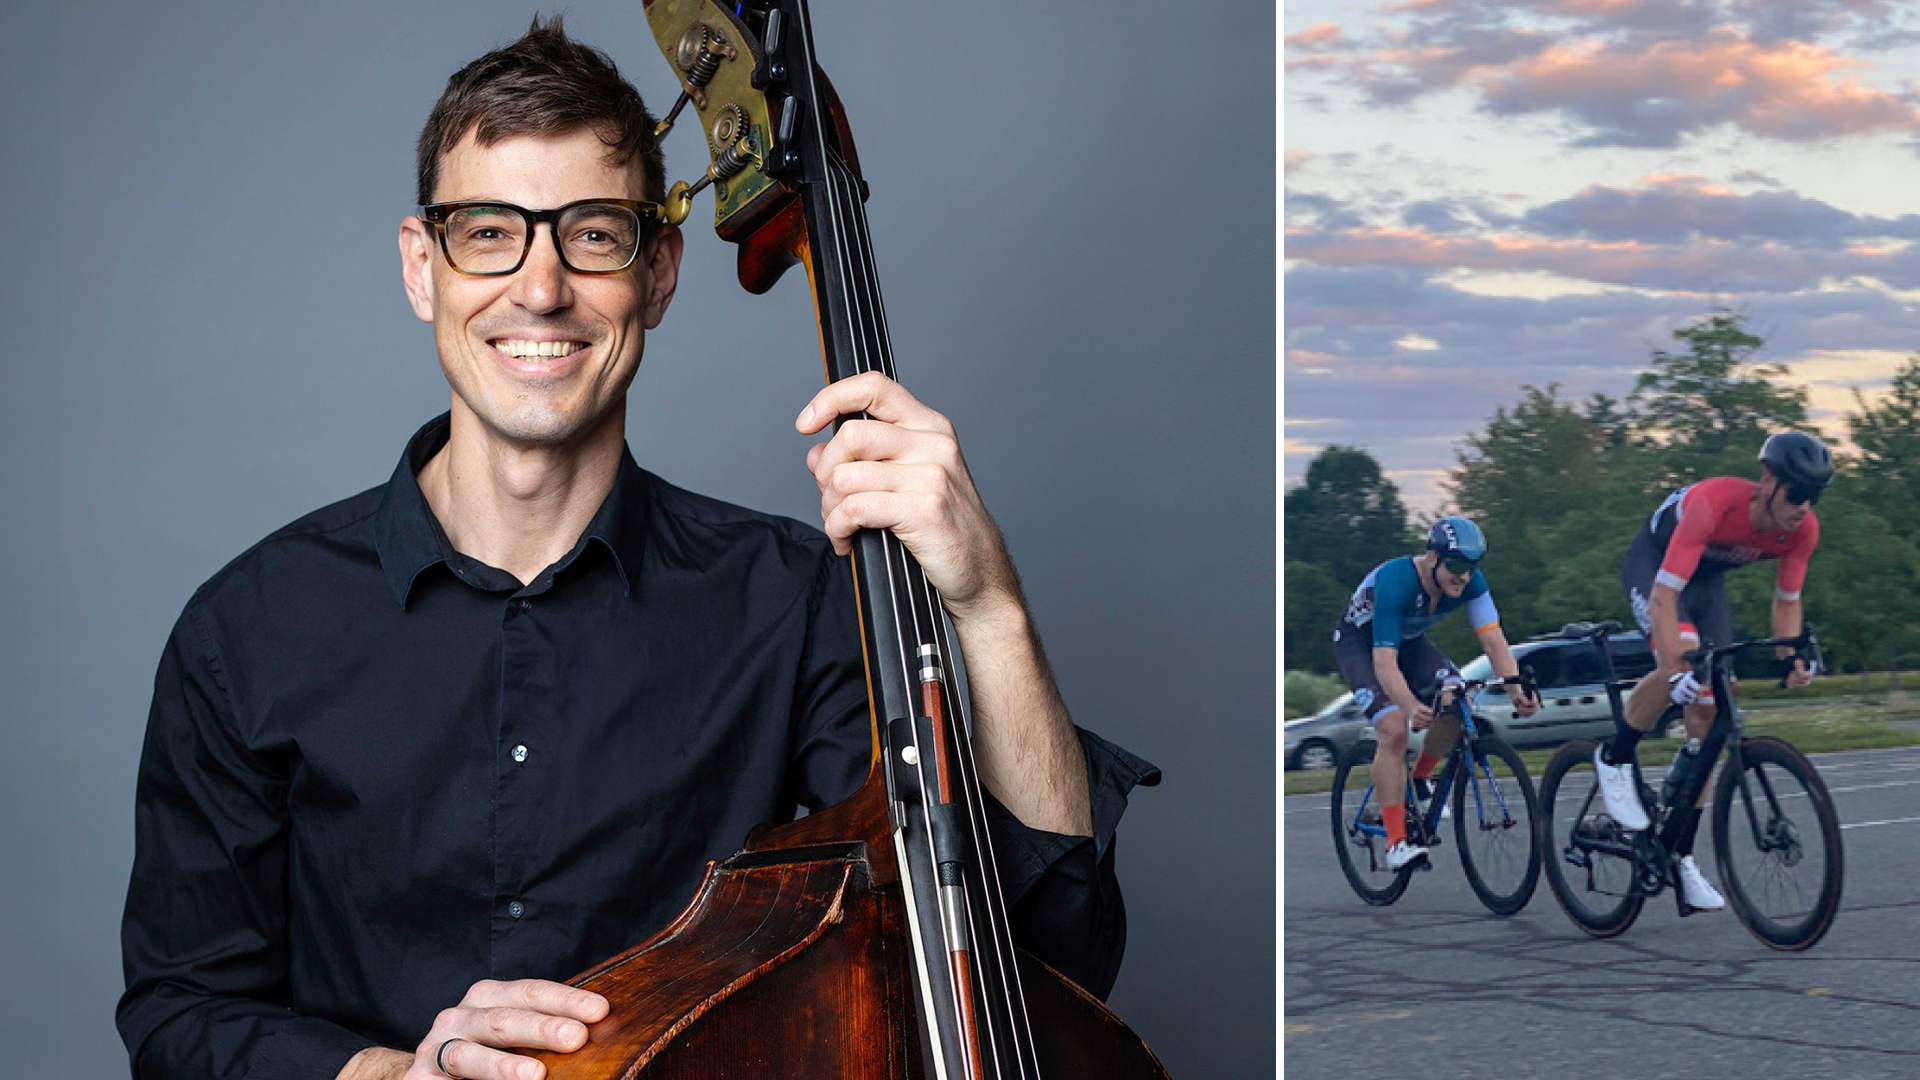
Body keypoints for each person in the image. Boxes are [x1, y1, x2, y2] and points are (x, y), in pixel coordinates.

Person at [116, 19, 1158, 1080]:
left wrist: (988, 602)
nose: (539, 287)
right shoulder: (246, 628)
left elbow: (1034, 961)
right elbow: (180, 1009)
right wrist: (391, 1078)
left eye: (594, 233)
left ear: (659, 273)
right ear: (421, 267)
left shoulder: (791, 605)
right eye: (488, 232)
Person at [1595, 432, 1830, 911]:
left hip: (1705, 584)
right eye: (1796, 493)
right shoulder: (1713, 505)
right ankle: (1614, 758)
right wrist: (1674, 666)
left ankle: (1678, 852)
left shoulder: (1802, 530)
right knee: (1680, 659)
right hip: (1658, 568)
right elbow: (1663, 598)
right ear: (1768, 480)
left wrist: (1790, 658)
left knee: (1712, 712)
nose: (1804, 506)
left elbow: (1787, 601)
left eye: (1814, 496)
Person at [1331, 516, 1539, 870]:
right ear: (1432, 559)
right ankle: (1396, 843)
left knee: (1459, 701)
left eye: (1472, 568)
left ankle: (1419, 779)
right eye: (1456, 566)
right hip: (1363, 647)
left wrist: (1515, 688)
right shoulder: (1397, 581)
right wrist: (1410, 705)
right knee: (1394, 728)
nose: (1464, 576)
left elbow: (1493, 639)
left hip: (1409, 644)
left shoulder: (1470, 582)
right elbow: (1383, 663)